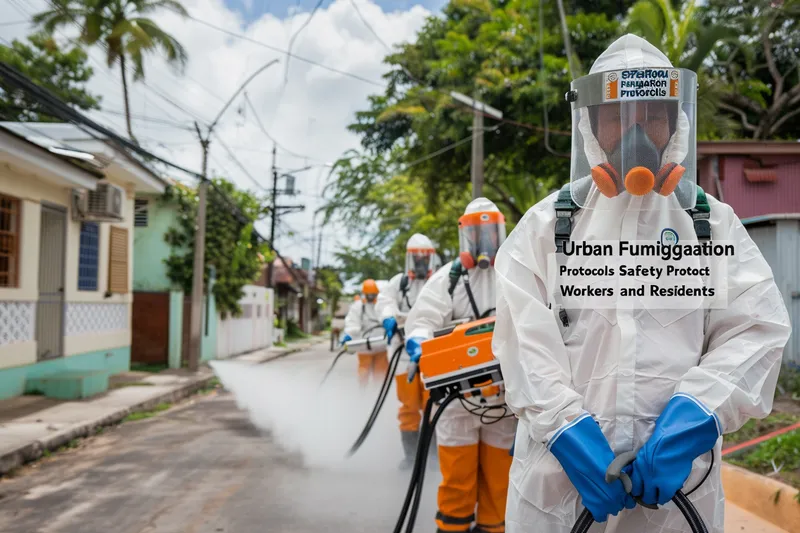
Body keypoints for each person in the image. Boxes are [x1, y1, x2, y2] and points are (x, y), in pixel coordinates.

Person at [492, 34, 791, 533]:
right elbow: (522, 342)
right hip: (560, 491)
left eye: (652, 113)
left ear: (676, 121)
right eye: (616, 115)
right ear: (590, 122)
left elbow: (757, 328)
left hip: (676, 496)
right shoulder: (548, 227)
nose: (635, 131)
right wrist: (565, 427)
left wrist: (697, 414)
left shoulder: (710, 224)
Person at [405, 198, 518, 533]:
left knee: (499, 483)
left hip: (504, 398)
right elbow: (423, 318)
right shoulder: (448, 278)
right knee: (457, 481)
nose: (485, 242)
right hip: (456, 398)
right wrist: (418, 342)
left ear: (501, 232)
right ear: (464, 236)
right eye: (477, 233)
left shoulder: (516, 272)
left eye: (490, 232)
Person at [377, 233, 439, 469]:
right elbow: (385, 301)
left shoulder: (440, 281)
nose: (421, 263)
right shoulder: (398, 283)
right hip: (403, 355)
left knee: (433, 406)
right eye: (417, 259)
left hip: (431, 353)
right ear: (409, 260)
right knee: (408, 407)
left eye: (425, 258)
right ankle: (412, 457)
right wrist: (388, 318)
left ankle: (432, 457)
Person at [343, 279, 389, 386]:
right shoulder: (358, 307)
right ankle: (363, 395)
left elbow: (387, 317)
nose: (371, 297)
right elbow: (352, 322)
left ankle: (379, 395)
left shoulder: (381, 306)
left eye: (373, 294)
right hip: (364, 348)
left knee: (381, 374)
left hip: (380, 346)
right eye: (369, 295)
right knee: (364, 373)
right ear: (364, 294)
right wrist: (349, 334)